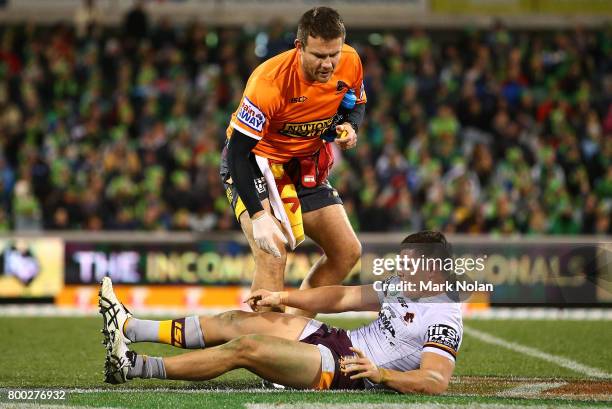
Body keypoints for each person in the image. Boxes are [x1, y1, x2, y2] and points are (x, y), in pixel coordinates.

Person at [100, 231, 463, 393]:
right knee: (233, 321)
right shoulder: (403, 286)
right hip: (340, 341)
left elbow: (435, 381)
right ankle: (130, 326)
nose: (400, 271)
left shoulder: (444, 317)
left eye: (408, 265)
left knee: (246, 347)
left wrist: (381, 374)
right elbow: (341, 298)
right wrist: (284, 298)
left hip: (345, 369)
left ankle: (132, 366)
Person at [219, 7, 366, 315]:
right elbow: (237, 153)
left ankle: (293, 329)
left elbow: (355, 103)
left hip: (303, 163)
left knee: (347, 251)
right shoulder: (269, 82)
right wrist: (259, 216)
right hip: (257, 164)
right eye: (318, 56)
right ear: (299, 47)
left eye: (333, 54)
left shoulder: (350, 61)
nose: (328, 64)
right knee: (273, 255)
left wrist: (350, 125)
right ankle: (260, 345)